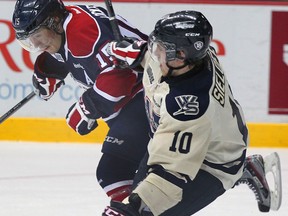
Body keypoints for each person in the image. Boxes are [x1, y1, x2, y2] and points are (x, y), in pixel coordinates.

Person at [103, 10, 281, 215]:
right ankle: (248, 168)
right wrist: (138, 53)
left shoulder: (187, 108)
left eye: (160, 49)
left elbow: (170, 173)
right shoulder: (193, 59)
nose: (155, 53)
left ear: (179, 56)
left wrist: (132, 207)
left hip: (213, 165)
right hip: (207, 138)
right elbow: (157, 62)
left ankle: (241, 169)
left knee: (149, 210)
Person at [11, 0, 150, 202]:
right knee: (130, 175)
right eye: (30, 41)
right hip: (142, 97)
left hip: (148, 97)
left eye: (38, 37)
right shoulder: (67, 24)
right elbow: (70, 53)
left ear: (54, 21)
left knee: (114, 172)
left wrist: (85, 109)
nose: (37, 46)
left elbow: (120, 78)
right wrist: (47, 71)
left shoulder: (82, 30)